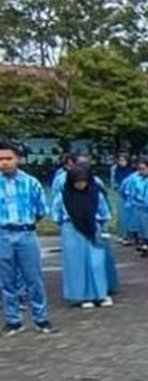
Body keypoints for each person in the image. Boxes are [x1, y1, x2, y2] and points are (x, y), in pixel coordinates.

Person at [0, 141, 56, 335]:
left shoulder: (31, 183)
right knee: (6, 280)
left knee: (33, 278)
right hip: (2, 235)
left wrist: (28, 223)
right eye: (1, 159)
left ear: (18, 159)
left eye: (9, 158)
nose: (5, 163)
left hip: (26, 233)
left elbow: (41, 210)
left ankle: (41, 318)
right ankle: (13, 320)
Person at [52, 165, 113, 308]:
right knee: (77, 264)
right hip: (71, 230)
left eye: (83, 181)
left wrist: (102, 227)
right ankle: (82, 296)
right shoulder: (63, 196)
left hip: (93, 229)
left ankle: (100, 295)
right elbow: (56, 215)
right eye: (77, 181)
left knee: (96, 263)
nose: (80, 184)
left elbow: (105, 213)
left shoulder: (96, 194)